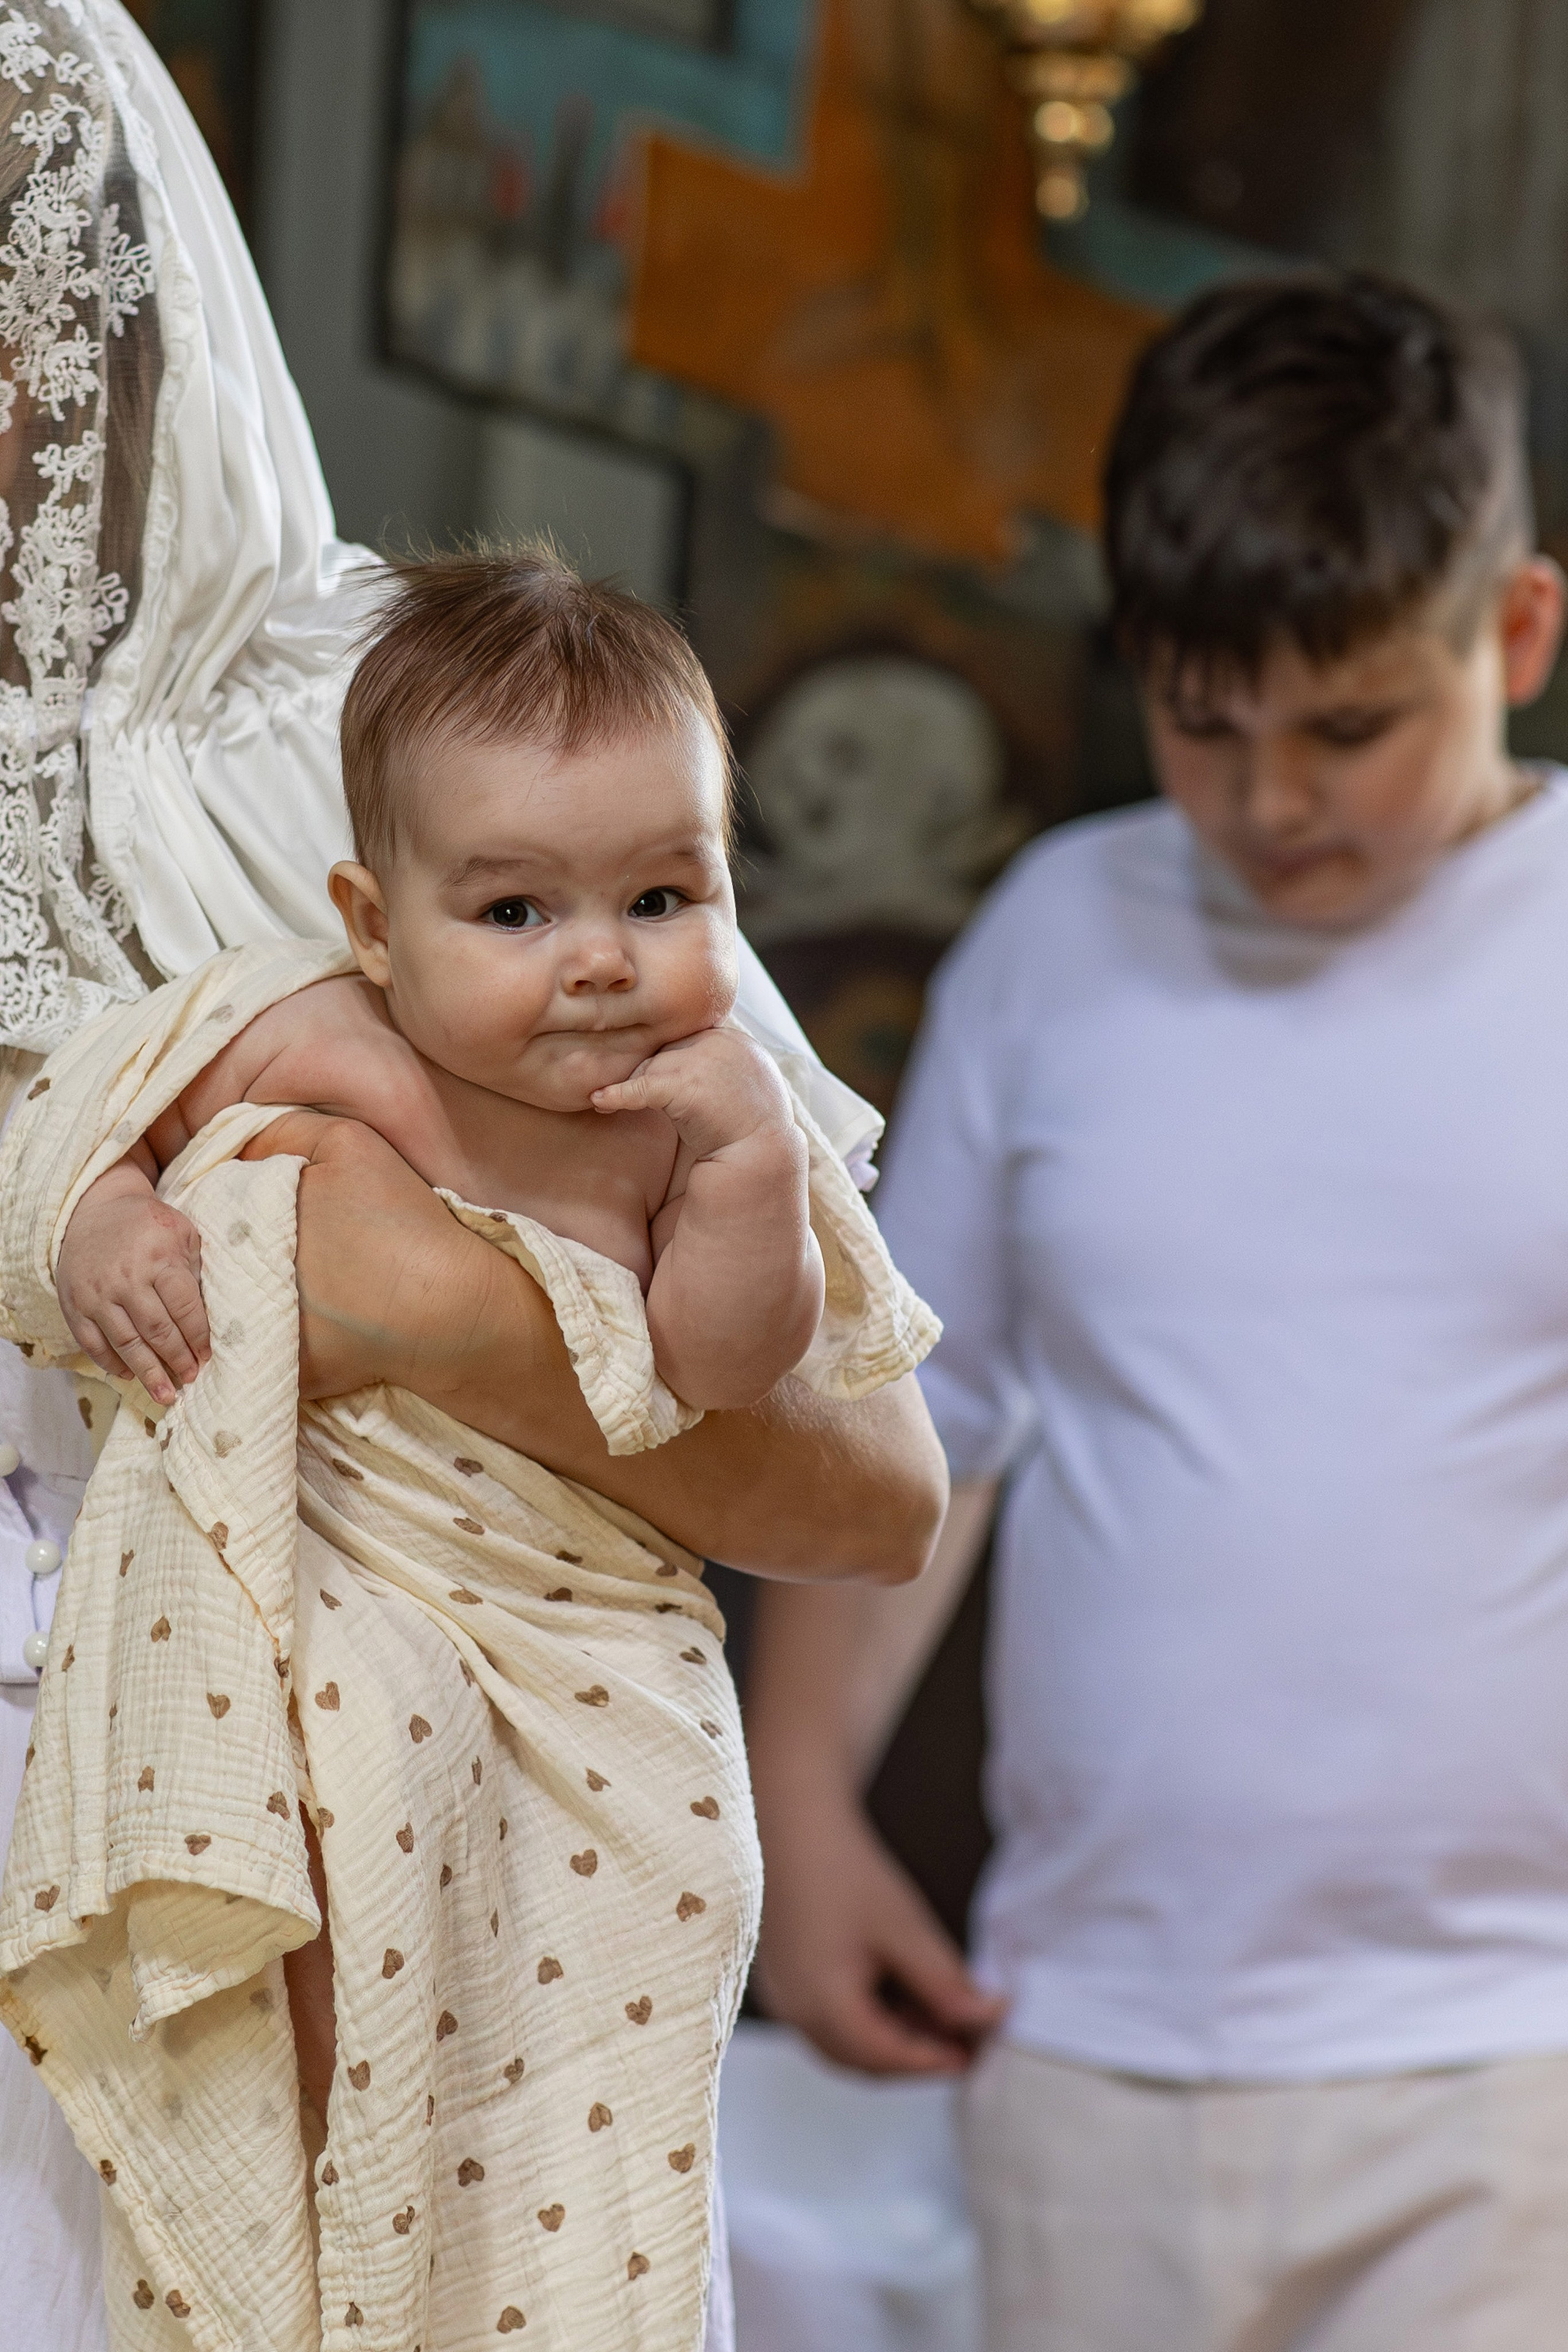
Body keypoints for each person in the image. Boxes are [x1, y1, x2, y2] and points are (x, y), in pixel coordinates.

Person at [0, 8, 945, 2349]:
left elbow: (869, 1482)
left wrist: (403, 1299)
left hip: (360, 1915)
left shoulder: (432, 742)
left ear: (80, 293)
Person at [747, 270, 1568, 2352]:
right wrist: (802, 1805)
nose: (1273, 802)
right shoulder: (1055, 934)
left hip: (1513, 2056)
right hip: (1084, 2039)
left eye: (1350, 727)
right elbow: (920, 1408)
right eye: (1207, 727)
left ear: (1523, 635)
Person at [54, 550, 864, 1419]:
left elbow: (715, 1375)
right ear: (376, 930)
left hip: (535, 1549)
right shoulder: (317, 1037)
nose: (602, 962)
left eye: (656, 900)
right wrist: (105, 1212)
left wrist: (755, 1166)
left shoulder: (681, 1127)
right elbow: (102, 1112)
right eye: (516, 912)